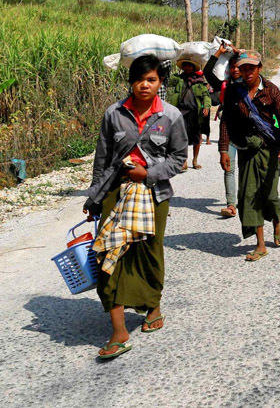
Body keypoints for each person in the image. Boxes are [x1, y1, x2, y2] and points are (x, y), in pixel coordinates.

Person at [82, 54, 188, 360]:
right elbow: (101, 160)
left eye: (151, 80)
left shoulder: (171, 116)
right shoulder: (114, 114)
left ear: (160, 82)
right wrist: (94, 199)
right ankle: (119, 331)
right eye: (139, 79)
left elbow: (178, 159)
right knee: (109, 252)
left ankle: (152, 305)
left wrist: (149, 174)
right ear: (130, 82)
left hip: (154, 194)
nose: (144, 85)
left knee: (148, 252)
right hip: (116, 191)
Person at [219, 50, 280, 261]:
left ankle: (277, 218)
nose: (247, 72)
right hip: (247, 149)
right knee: (249, 195)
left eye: (251, 68)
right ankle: (260, 244)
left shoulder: (271, 90)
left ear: (259, 68)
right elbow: (226, 121)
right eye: (243, 68)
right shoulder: (234, 92)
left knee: (269, 194)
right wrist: (224, 149)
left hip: (270, 149)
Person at [204, 44, 241, 218]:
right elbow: (207, 72)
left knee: (248, 169)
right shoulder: (224, 85)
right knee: (229, 168)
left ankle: (248, 200)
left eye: (238, 66)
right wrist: (218, 53)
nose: (235, 69)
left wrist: (239, 52)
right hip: (229, 132)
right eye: (232, 66)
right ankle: (231, 204)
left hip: (250, 135)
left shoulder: (254, 83)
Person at [166, 59, 211, 170]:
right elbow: (168, 80)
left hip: (195, 113)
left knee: (197, 137)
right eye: (185, 66)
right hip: (181, 111)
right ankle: (183, 162)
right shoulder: (178, 79)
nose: (187, 68)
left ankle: (195, 160)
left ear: (193, 68)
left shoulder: (199, 81)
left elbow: (206, 95)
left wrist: (206, 106)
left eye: (189, 66)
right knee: (182, 137)